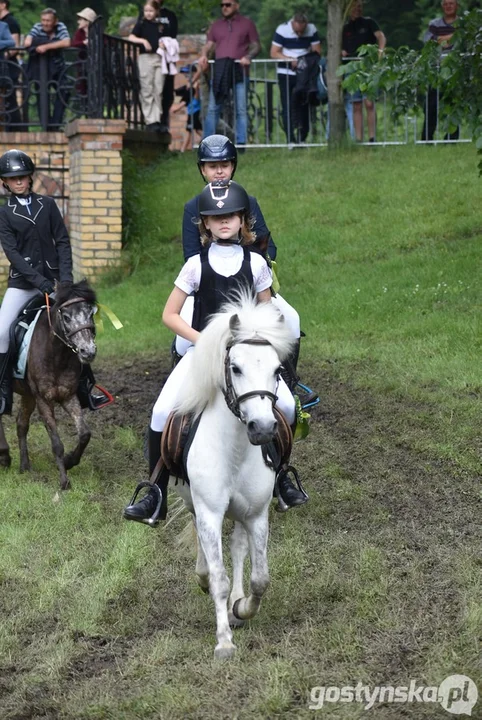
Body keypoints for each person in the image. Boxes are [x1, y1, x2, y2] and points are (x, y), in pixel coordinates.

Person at [123, 180, 307, 526]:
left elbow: (268, 314)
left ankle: (282, 477)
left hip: (246, 358)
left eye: (232, 216)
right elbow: (169, 315)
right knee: (161, 411)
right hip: (203, 355)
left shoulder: (256, 265)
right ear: (205, 223)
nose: (224, 222)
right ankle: (155, 493)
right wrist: (204, 339)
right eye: (216, 217)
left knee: (284, 405)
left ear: (242, 221)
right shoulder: (194, 265)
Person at [0, 149, 110, 414]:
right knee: (2, 332)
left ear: (30, 178)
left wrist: (66, 281)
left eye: (23, 177)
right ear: (5, 182)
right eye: (13, 179)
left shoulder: (48, 205)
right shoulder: (4, 213)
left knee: (76, 327)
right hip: (23, 285)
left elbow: (62, 241)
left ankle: (85, 388)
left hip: (56, 282)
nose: (19, 182)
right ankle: (4, 392)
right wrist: (40, 282)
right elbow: (13, 254)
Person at [198, 1, 260, 146]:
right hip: (220, 70)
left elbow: (256, 45)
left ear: (236, 5)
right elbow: (208, 45)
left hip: (240, 69)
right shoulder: (216, 25)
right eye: (222, 5)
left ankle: (241, 143)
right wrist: (203, 55)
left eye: (228, 4)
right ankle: (206, 142)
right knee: (213, 107)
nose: (224, 7)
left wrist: (248, 57)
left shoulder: (247, 23)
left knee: (241, 108)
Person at [270, 12, 321, 144]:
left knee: (304, 103)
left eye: (302, 32)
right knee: (287, 104)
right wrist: (289, 60)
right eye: (297, 31)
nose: (299, 35)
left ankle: (302, 137)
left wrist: (304, 61)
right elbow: (274, 52)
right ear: (293, 24)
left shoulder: (312, 29)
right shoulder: (282, 29)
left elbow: (317, 51)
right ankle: (290, 139)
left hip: (304, 74)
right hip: (285, 72)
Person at [342, 0, 386, 143]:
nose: (358, 9)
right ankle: (358, 140)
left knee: (369, 102)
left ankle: (372, 138)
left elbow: (381, 36)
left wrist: (380, 51)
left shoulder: (369, 22)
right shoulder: (345, 27)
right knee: (356, 104)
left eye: (360, 7)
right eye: (355, 7)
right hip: (352, 68)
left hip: (369, 66)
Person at [24, 8, 71, 130]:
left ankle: (55, 123)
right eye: (43, 20)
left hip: (58, 67)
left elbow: (66, 42)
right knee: (41, 95)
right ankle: (46, 126)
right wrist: (53, 43)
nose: (45, 23)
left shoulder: (61, 26)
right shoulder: (37, 27)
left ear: (55, 21)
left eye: (48, 21)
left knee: (64, 91)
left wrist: (45, 46)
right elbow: (27, 43)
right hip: (40, 69)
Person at [421, 0, 459, 142]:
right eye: (446, 4)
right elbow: (429, 42)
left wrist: (443, 39)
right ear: (442, 6)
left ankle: (452, 138)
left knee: (453, 105)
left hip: (456, 71)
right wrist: (453, 37)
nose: (448, 6)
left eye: (451, 3)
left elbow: (464, 42)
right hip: (436, 69)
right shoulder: (434, 24)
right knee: (431, 104)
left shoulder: (462, 23)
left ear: (457, 5)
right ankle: (427, 138)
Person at [128, 0, 166, 132]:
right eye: (146, 11)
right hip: (145, 58)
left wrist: (164, 45)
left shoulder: (160, 25)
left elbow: (165, 39)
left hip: (159, 58)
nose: (148, 13)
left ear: (156, 11)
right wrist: (143, 41)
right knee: (147, 88)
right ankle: (150, 120)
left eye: (151, 11)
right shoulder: (141, 24)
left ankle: (157, 118)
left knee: (158, 88)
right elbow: (131, 37)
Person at [156, 0, 178, 130]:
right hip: (153, 57)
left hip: (167, 57)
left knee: (167, 91)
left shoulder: (170, 15)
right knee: (154, 91)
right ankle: (154, 121)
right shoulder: (145, 13)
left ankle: (164, 120)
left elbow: (173, 36)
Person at [0, 0, 21, 129]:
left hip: (2, 69)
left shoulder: (4, 25)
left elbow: (12, 43)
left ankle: (10, 129)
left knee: (5, 101)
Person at [172, 65, 203, 152]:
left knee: (189, 131)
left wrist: (177, 108)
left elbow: (186, 100)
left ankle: (183, 150)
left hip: (194, 111)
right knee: (198, 130)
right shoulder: (190, 85)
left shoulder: (195, 85)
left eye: (187, 74)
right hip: (192, 111)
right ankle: (210, 141)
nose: (186, 76)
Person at [71, 7, 98, 107]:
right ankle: (85, 107)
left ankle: (94, 106)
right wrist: (83, 43)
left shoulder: (96, 32)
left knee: (94, 85)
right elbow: (74, 43)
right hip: (82, 63)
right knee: (82, 85)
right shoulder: (80, 33)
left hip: (95, 64)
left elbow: (104, 42)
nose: (78, 22)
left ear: (87, 21)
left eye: (81, 19)